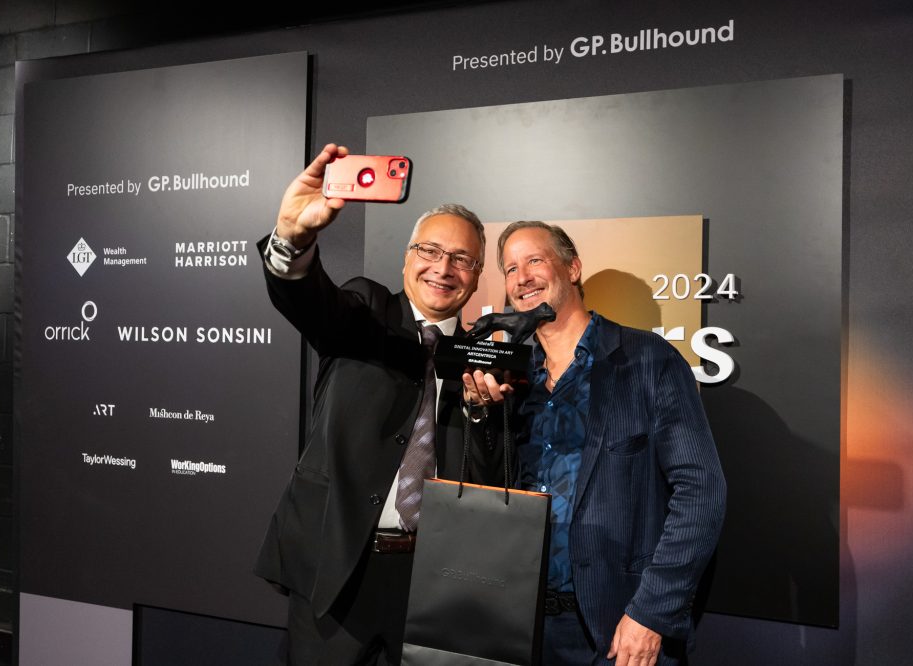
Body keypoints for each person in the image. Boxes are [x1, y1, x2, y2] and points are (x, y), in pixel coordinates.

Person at [253, 143, 511, 665]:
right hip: (338, 571)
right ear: (407, 257)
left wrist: (482, 413)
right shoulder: (367, 310)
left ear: (478, 273)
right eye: (430, 251)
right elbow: (310, 300)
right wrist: (292, 239)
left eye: (462, 259)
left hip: (435, 581)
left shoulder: (483, 357)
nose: (443, 268)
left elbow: (487, 484)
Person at [493, 220, 726, 666]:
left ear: (572, 268)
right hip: (521, 625)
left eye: (535, 260)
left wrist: (651, 612)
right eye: (510, 268)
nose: (522, 278)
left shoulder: (648, 359)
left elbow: (701, 491)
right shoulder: (513, 379)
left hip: (620, 629)